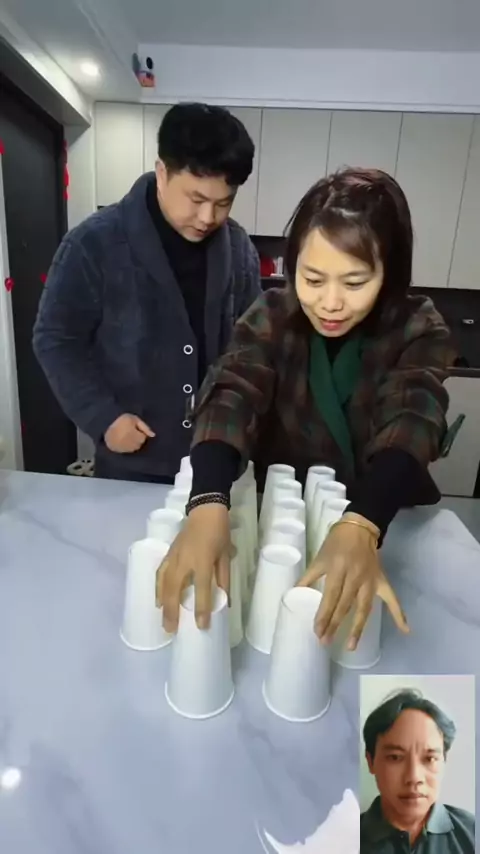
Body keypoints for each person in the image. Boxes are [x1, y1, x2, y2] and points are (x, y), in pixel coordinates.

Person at [157, 167, 457, 645]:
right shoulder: (274, 315)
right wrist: (208, 498)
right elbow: (232, 393)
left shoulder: (415, 327)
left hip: (380, 512)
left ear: (389, 274)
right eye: (312, 278)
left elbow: (413, 419)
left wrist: (363, 522)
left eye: (355, 283)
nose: (330, 303)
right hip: (286, 518)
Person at [33, 103, 261, 483]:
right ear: (162, 173)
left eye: (223, 203)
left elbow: (252, 348)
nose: (208, 218)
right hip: (132, 463)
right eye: (196, 200)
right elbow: (55, 339)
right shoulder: (94, 244)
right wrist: (103, 417)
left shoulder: (239, 250)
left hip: (217, 461)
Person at [360, 689, 475, 852]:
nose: (414, 777)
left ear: (444, 761)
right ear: (371, 761)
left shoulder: (472, 834)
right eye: (395, 757)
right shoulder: (339, 840)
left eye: (429, 758)